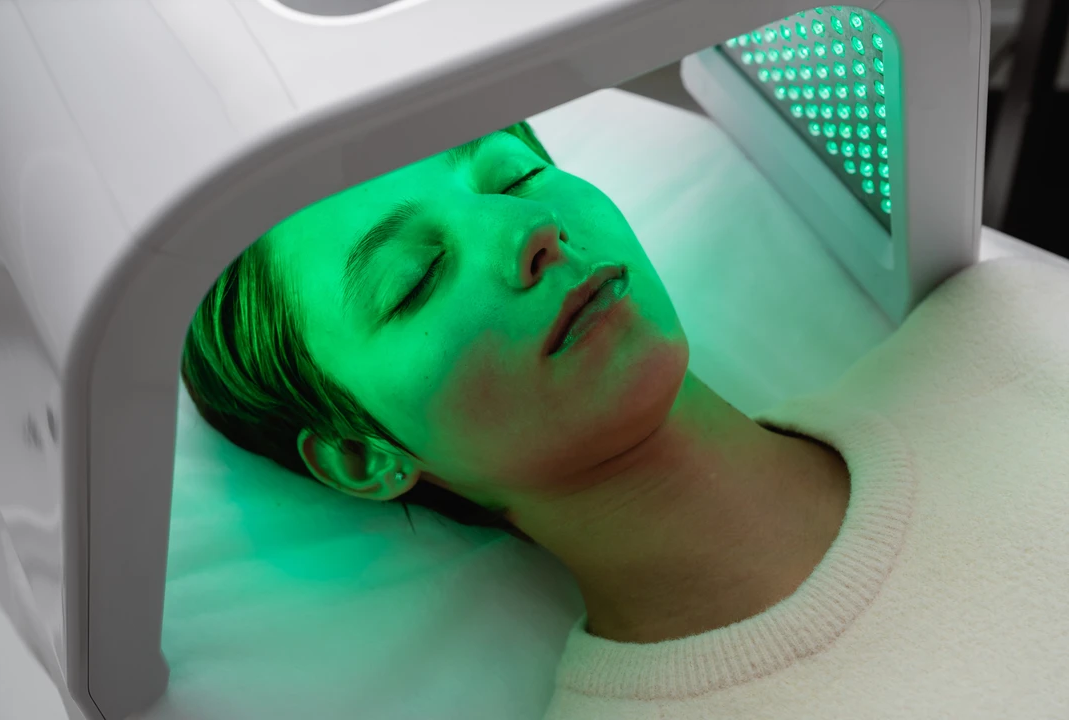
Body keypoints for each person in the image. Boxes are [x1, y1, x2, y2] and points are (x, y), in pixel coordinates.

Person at [182, 120, 1069, 719]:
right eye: (415, 277)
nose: (526, 228)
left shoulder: (1006, 335)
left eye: (517, 175)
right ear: (359, 453)